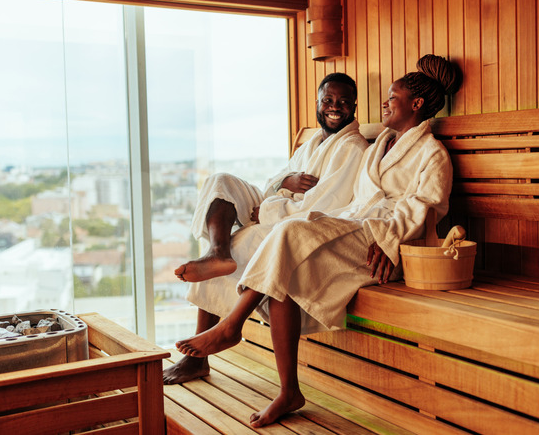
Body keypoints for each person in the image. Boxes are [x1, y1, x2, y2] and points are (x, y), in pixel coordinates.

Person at [175, 54, 462, 427]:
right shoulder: (382, 145)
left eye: (392, 98)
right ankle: (288, 390)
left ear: (416, 104)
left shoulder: (431, 153)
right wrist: (292, 198)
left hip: (383, 241)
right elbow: (356, 201)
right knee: (285, 252)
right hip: (355, 224)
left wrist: (390, 241)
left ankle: (232, 325)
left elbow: (426, 207)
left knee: (288, 233)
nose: (385, 104)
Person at [164, 73, 369, 384]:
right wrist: (282, 184)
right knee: (221, 182)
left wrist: (269, 210)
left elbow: (325, 205)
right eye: (328, 100)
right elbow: (276, 181)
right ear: (317, 102)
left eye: (342, 102)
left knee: (242, 243)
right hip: (277, 209)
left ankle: (199, 358)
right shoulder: (314, 141)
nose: (334, 107)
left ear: (354, 105)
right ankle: (216, 253)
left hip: (300, 223)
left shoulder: (352, 148)